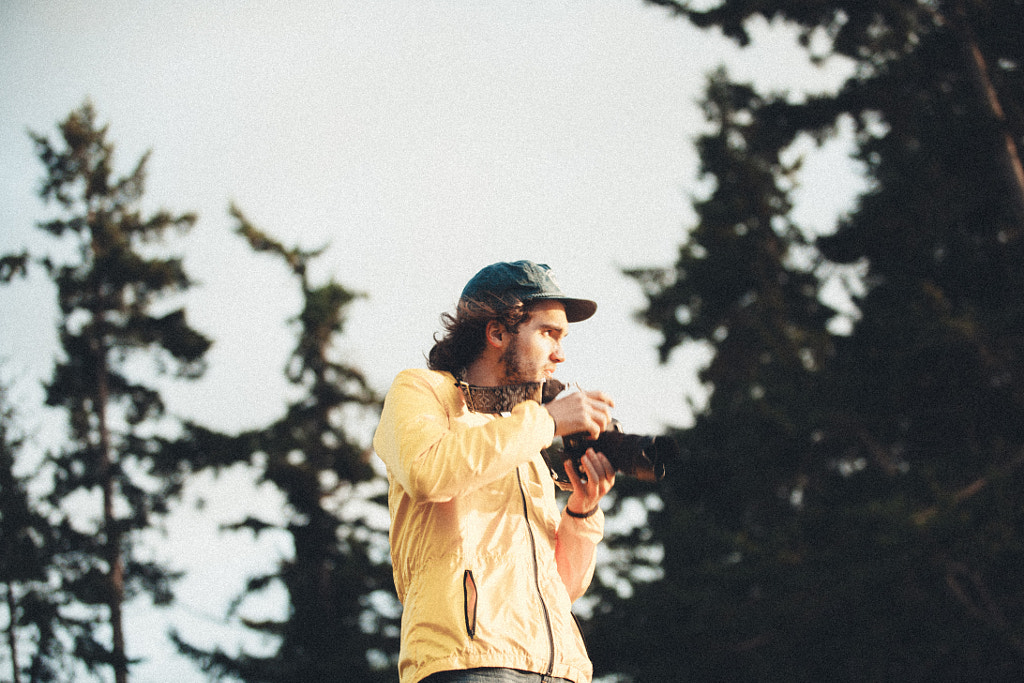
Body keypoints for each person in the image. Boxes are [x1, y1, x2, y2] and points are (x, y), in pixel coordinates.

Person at [373, 260, 617, 683]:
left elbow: (559, 589)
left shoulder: (523, 436)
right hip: (467, 662)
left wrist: (582, 511)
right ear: (497, 331)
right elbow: (428, 473)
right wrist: (548, 422)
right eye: (548, 333)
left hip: (560, 670)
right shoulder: (420, 390)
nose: (560, 354)